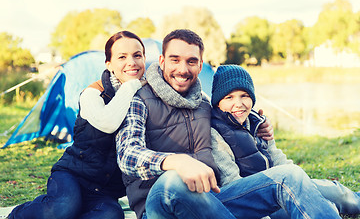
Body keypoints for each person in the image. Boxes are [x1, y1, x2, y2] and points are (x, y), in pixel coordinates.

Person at [116, 29, 342, 219]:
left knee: (290, 175)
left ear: (201, 64)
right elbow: (127, 155)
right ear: (162, 61)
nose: (183, 69)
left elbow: (234, 116)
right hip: (160, 203)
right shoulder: (138, 99)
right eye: (175, 60)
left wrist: (257, 126)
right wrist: (177, 162)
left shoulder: (204, 103)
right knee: (174, 180)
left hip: (213, 198)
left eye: (191, 61)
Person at [8, 30, 146, 219]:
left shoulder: (147, 97)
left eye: (137, 55)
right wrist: (131, 85)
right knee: (63, 208)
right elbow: (108, 122)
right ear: (109, 64)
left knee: (111, 216)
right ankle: (18, 214)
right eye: (122, 57)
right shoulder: (93, 93)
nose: (131, 62)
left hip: (104, 190)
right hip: (73, 176)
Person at [210, 64, 360, 218]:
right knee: (317, 206)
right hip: (258, 202)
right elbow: (233, 183)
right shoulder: (215, 133)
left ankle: (355, 200)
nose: (238, 103)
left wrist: (305, 187)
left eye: (244, 95)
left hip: (280, 187)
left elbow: (278, 159)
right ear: (217, 102)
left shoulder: (256, 123)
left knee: (334, 192)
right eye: (229, 97)